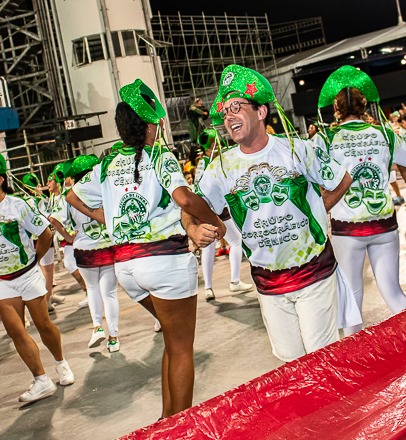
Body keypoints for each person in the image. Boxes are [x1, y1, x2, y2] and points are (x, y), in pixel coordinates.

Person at [66, 79, 226, 418]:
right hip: (164, 261)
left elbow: (72, 196)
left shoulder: (108, 163)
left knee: (171, 340)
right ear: (150, 124)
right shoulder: (159, 155)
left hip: (126, 267)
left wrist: (107, 218)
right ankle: (180, 428)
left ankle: (166, 421)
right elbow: (184, 197)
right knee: (182, 348)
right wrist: (216, 220)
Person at [197, 64, 353, 361]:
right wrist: (194, 228)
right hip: (268, 282)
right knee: (290, 360)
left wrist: (316, 211)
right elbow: (193, 208)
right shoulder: (220, 167)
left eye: (236, 107)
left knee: (321, 355)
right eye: (225, 112)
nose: (228, 116)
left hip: (314, 271)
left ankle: (339, 407)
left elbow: (341, 178)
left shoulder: (297, 149)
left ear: (261, 112)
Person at [314, 65, 406, 335]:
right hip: (384, 225)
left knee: (352, 300)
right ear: (365, 107)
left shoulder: (325, 138)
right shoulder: (384, 134)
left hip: (348, 228)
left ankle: (355, 362)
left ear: (336, 111)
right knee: (393, 292)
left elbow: (315, 179)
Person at [0, 154, 75, 403]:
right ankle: (41, 380)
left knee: (43, 325)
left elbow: (44, 234)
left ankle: (60, 362)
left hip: (28, 273)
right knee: (16, 331)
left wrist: (34, 260)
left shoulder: (17, 205)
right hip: (3, 282)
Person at [50, 155, 121, 353]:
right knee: (109, 293)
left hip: (83, 248)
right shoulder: (103, 190)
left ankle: (97, 326)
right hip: (107, 245)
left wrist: (68, 237)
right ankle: (113, 338)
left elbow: (53, 219)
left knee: (92, 289)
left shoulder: (71, 194)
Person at [194, 128, 253, 301]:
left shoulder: (205, 162)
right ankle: (233, 281)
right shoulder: (210, 163)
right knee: (235, 241)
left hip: (208, 209)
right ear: (211, 145)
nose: (219, 146)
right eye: (215, 144)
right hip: (216, 209)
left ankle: (209, 288)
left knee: (210, 246)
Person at [20, 172, 66, 307]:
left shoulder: (23, 201)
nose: (41, 188)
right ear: (32, 187)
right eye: (39, 186)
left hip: (31, 240)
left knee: (40, 270)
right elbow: (47, 218)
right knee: (48, 269)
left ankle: (50, 295)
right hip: (43, 237)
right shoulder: (38, 200)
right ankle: (46, 301)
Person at [46, 163, 88, 308]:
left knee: (71, 264)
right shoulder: (53, 198)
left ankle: (89, 291)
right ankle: (90, 292)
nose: (47, 184)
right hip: (66, 238)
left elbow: (56, 218)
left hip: (72, 236)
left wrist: (67, 234)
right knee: (76, 265)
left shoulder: (65, 196)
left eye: (50, 180)